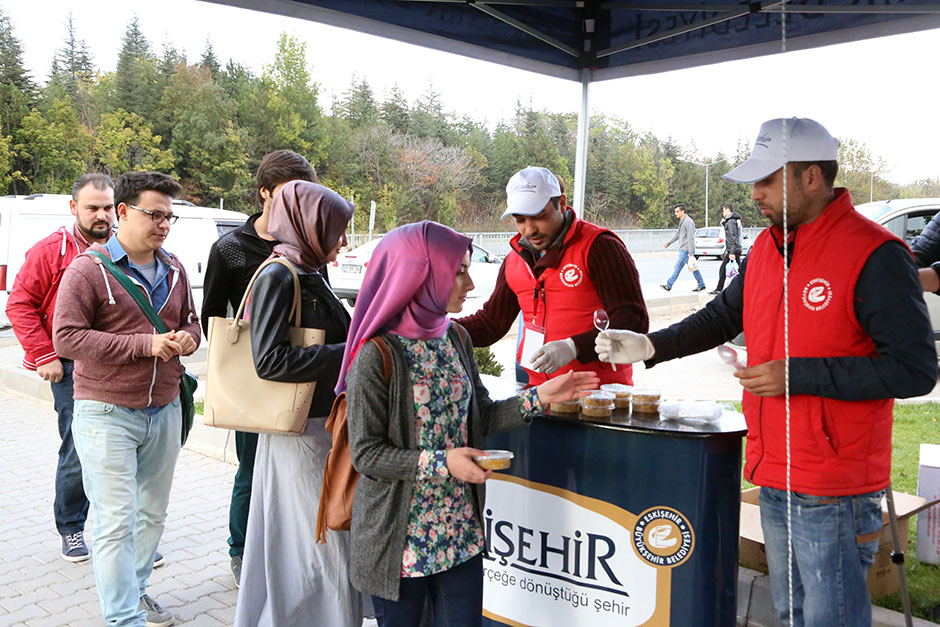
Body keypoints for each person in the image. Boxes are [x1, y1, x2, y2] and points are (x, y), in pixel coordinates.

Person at [596, 118, 937, 627]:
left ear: (811, 177)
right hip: (774, 472)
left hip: (836, 488)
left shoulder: (876, 254)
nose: (753, 193)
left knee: (831, 620)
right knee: (792, 613)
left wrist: (798, 375)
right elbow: (720, 317)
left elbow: (914, 371)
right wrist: (649, 345)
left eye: (766, 180)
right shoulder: (767, 247)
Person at [340, 221, 598, 627]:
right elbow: (368, 455)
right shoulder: (377, 355)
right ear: (419, 273)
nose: (470, 282)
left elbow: (480, 417)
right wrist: (444, 463)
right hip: (400, 543)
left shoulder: (454, 337)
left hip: (460, 535)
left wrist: (540, 397)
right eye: (458, 270)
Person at [53, 171, 200, 627]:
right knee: (117, 520)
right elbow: (66, 338)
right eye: (154, 214)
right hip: (106, 411)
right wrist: (144, 345)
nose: (163, 225)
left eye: (169, 217)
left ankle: (135, 594)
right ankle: (122, 619)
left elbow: (192, 322)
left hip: (166, 408)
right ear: (123, 212)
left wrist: (190, 340)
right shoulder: (88, 269)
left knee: (152, 515)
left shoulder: (174, 267)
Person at [233, 180, 361, 627]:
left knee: (316, 545)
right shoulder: (278, 274)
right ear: (309, 225)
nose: (343, 240)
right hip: (302, 433)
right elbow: (269, 360)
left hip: (319, 428)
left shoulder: (308, 270)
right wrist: (347, 354)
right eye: (335, 228)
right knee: (319, 546)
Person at [200, 149, 317, 587]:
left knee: (298, 470)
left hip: (301, 374)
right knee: (251, 470)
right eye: (288, 194)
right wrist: (237, 378)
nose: (296, 205)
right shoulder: (230, 248)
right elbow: (214, 315)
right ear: (265, 192)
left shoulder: (308, 246)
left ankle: (288, 550)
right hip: (256, 379)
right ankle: (241, 550)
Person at [456, 166, 647, 387]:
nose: (529, 230)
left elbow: (633, 320)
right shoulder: (514, 258)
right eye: (520, 220)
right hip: (539, 392)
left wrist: (574, 346)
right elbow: (491, 324)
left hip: (599, 393)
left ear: (562, 203)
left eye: (539, 217)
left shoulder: (599, 246)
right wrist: (438, 330)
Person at [5, 174, 114, 563]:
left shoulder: (125, 247)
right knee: (79, 448)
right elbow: (19, 304)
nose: (101, 215)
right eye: (92, 208)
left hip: (118, 365)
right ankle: (71, 527)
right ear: (74, 209)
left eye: (106, 207)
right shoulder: (51, 251)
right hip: (70, 366)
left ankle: (119, 535)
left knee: (120, 451)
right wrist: (44, 354)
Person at [660, 203, 706, 292]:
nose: (675, 213)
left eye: (677, 211)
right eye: (675, 212)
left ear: (683, 211)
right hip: (684, 249)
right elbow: (678, 233)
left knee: (678, 267)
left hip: (686, 250)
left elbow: (690, 237)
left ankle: (669, 285)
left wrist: (691, 252)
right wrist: (669, 242)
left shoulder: (688, 222)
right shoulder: (682, 221)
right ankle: (701, 284)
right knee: (693, 268)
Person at [710, 202, 743, 294]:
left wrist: (731, 252)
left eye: (724, 210)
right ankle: (747, 284)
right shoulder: (731, 220)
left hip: (733, 249)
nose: (723, 212)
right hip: (735, 248)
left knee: (723, 268)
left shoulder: (731, 221)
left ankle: (719, 289)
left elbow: (732, 236)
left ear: (728, 210)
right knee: (740, 269)